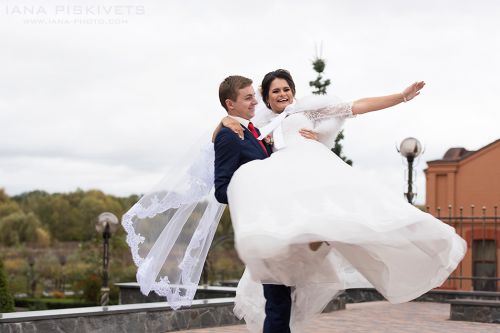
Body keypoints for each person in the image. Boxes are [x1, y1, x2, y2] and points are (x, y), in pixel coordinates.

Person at [213, 69, 466, 332]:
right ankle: (308, 246)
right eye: (275, 91)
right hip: (288, 192)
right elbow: (235, 125)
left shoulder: (307, 112)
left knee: (352, 214)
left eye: (286, 89)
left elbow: (356, 106)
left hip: (315, 175)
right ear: (266, 98)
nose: (282, 94)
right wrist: (223, 121)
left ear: (294, 92)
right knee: (281, 291)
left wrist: (400, 96)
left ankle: (325, 238)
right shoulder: (262, 126)